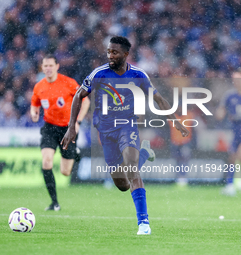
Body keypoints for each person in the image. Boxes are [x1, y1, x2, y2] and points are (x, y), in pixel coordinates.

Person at [61, 36, 189, 235]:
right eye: (108, 52)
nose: (110, 56)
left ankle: (144, 223)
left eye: (114, 52)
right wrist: (71, 127)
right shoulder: (99, 73)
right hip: (105, 131)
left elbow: (158, 98)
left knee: (131, 169)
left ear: (126, 54)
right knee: (121, 183)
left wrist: (174, 121)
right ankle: (144, 153)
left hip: (127, 127)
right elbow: (79, 95)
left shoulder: (138, 75)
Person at [31, 54, 90, 211]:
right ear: (42, 68)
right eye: (45, 66)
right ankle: (54, 202)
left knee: (65, 172)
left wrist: (77, 121)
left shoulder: (69, 83)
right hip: (49, 128)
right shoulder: (39, 86)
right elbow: (35, 104)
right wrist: (34, 112)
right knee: (46, 161)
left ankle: (75, 152)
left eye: (51, 65)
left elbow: (86, 101)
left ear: (57, 66)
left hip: (67, 129)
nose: (48, 68)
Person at [216, 69, 241, 196]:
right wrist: (220, 113)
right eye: (234, 79)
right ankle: (230, 184)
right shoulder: (230, 95)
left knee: (238, 155)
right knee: (232, 157)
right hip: (235, 130)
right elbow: (221, 111)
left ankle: (236, 182)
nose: (236, 82)